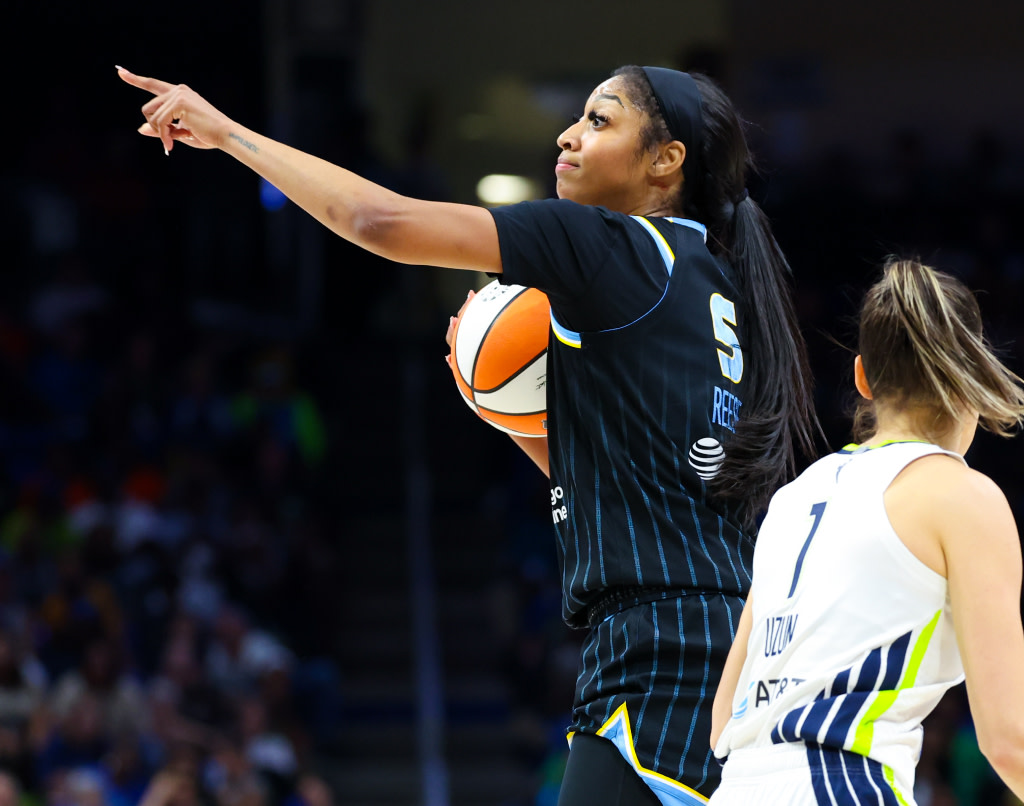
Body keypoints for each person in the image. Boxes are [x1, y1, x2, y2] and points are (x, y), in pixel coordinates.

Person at [119, 62, 822, 804]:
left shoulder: (610, 245)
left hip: (661, 652)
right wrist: (497, 401)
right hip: (727, 641)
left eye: (599, 120)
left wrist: (227, 133)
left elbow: (379, 222)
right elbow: (617, 478)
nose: (568, 133)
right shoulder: (713, 283)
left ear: (665, 160)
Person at [708, 259, 1024, 805]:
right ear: (973, 376)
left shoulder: (792, 499)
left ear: (862, 377)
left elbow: (723, 716)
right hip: (842, 785)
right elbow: (1012, 741)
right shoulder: (962, 496)